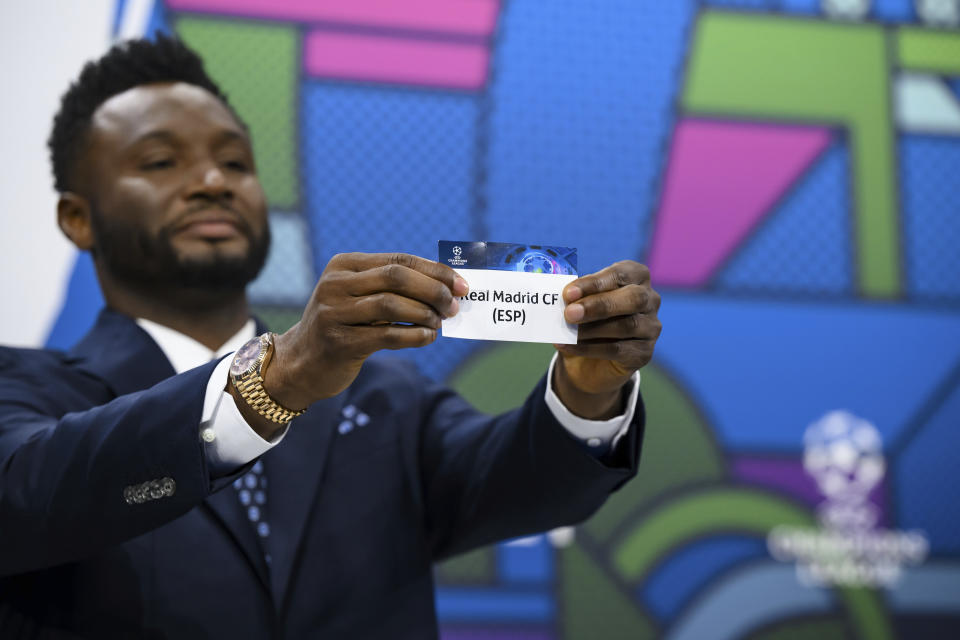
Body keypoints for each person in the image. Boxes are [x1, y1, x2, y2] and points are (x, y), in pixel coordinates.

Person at [0, 36, 661, 638]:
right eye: (161, 161)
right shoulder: (25, 392)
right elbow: (24, 501)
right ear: (77, 218)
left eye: (235, 161)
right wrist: (273, 380)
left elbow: (523, 484)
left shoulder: (383, 397)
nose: (212, 183)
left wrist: (587, 396)